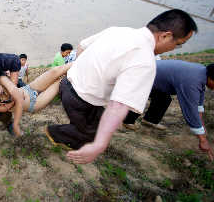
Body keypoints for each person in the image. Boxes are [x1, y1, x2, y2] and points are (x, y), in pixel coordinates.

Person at [45, 9, 197, 164]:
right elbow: (118, 106)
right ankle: (54, 134)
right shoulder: (145, 60)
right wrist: (100, 145)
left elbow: (82, 46)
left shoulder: (119, 30)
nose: (174, 48)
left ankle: (76, 131)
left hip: (66, 85)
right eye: (178, 44)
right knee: (93, 135)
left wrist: (82, 70)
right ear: (165, 36)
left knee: (95, 121)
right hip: (81, 100)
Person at [0, 63, 72, 155]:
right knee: (60, 82)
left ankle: (82, 59)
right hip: (35, 104)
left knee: (54, 72)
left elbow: (11, 67)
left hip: (29, 88)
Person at [123, 61, 214, 160]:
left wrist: (202, 127)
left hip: (153, 75)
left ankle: (150, 120)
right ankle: (127, 121)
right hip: (141, 75)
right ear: (211, 78)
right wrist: (203, 140)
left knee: (164, 98)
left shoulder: (201, 73)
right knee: (141, 95)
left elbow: (198, 105)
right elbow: (191, 109)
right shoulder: (192, 81)